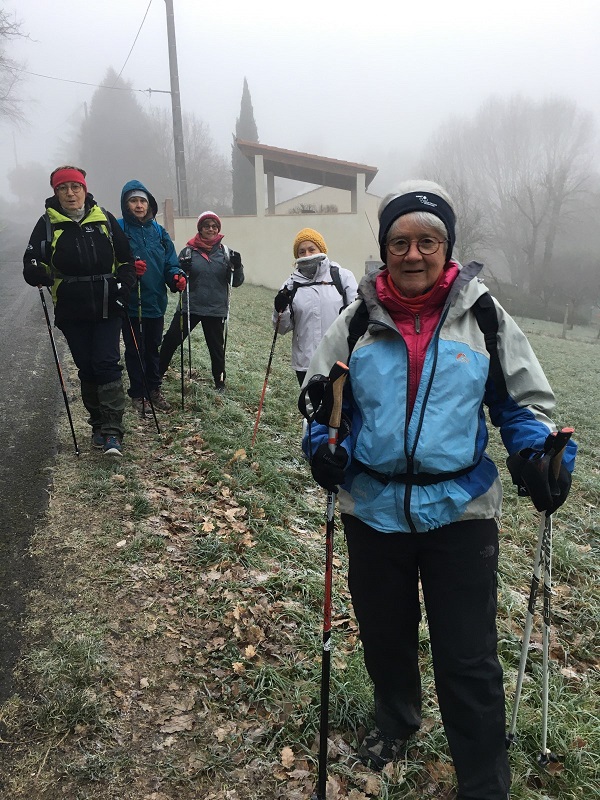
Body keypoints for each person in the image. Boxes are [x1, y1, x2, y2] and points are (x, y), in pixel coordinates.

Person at [301, 181, 577, 799]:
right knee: (385, 635)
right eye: (400, 242)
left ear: (447, 247)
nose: (413, 254)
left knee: (468, 656)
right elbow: (321, 402)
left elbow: (522, 403)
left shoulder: (484, 317)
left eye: (428, 241)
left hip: (460, 512)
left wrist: (537, 456)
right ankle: (397, 721)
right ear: (384, 249)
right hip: (372, 508)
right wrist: (322, 446)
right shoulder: (357, 319)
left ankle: (483, 781)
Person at [23, 165, 136, 456]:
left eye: (75, 187)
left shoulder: (104, 219)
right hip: (71, 309)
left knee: (107, 363)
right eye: (63, 188)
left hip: (108, 304)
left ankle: (112, 431)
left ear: (85, 189)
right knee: (87, 367)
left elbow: (126, 260)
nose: (70, 193)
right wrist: (35, 271)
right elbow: (32, 260)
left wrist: (125, 285)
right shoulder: (47, 224)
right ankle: (97, 424)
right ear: (56, 192)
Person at [117, 180, 186, 415]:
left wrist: (176, 277)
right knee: (135, 349)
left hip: (155, 301)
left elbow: (170, 263)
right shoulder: (118, 228)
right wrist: (128, 269)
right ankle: (138, 393)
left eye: (142, 201)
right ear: (126, 204)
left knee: (153, 348)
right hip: (131, 302)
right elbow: (110, 262)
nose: (139, 205)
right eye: (133, 201)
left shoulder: (159, 232)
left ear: (149, 204)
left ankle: (153, 389)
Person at [158, 211, 244, 393]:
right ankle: (156, 375)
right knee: (171, 340)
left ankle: (220, 383)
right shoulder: (188, 252)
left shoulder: (227, 254)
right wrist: (181, 271)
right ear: (200, 229)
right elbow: (176, 277)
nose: (210, 229)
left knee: (216, 349)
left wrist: (237, 266)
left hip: (215, 309)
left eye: (214, 226)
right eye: (206, 226)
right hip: (190, 307)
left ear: (218, 229)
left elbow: (236, 282)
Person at [273, 227, 358, 385]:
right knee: (310, 402)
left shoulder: (342, 277)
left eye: (312, 249)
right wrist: (280, 309)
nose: (307, 255)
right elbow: (281, 328)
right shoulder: (290, 285)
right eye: (302, 251)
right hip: (305, 363)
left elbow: (356, 316)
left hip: (338, 360)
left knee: (339, 401)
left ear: (321, 249)